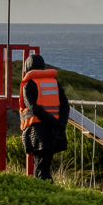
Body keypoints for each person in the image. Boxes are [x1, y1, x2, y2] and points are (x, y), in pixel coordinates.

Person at [19, 48, 68, 180]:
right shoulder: (55, 83)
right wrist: (60, 126)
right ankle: (47, 192)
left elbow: (34, 108)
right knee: (45, 165)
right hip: (55, 132)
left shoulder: (28, 86)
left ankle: (45, 195)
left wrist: (53, 122)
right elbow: (65, 107)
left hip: (38, 132)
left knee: (41, 169)